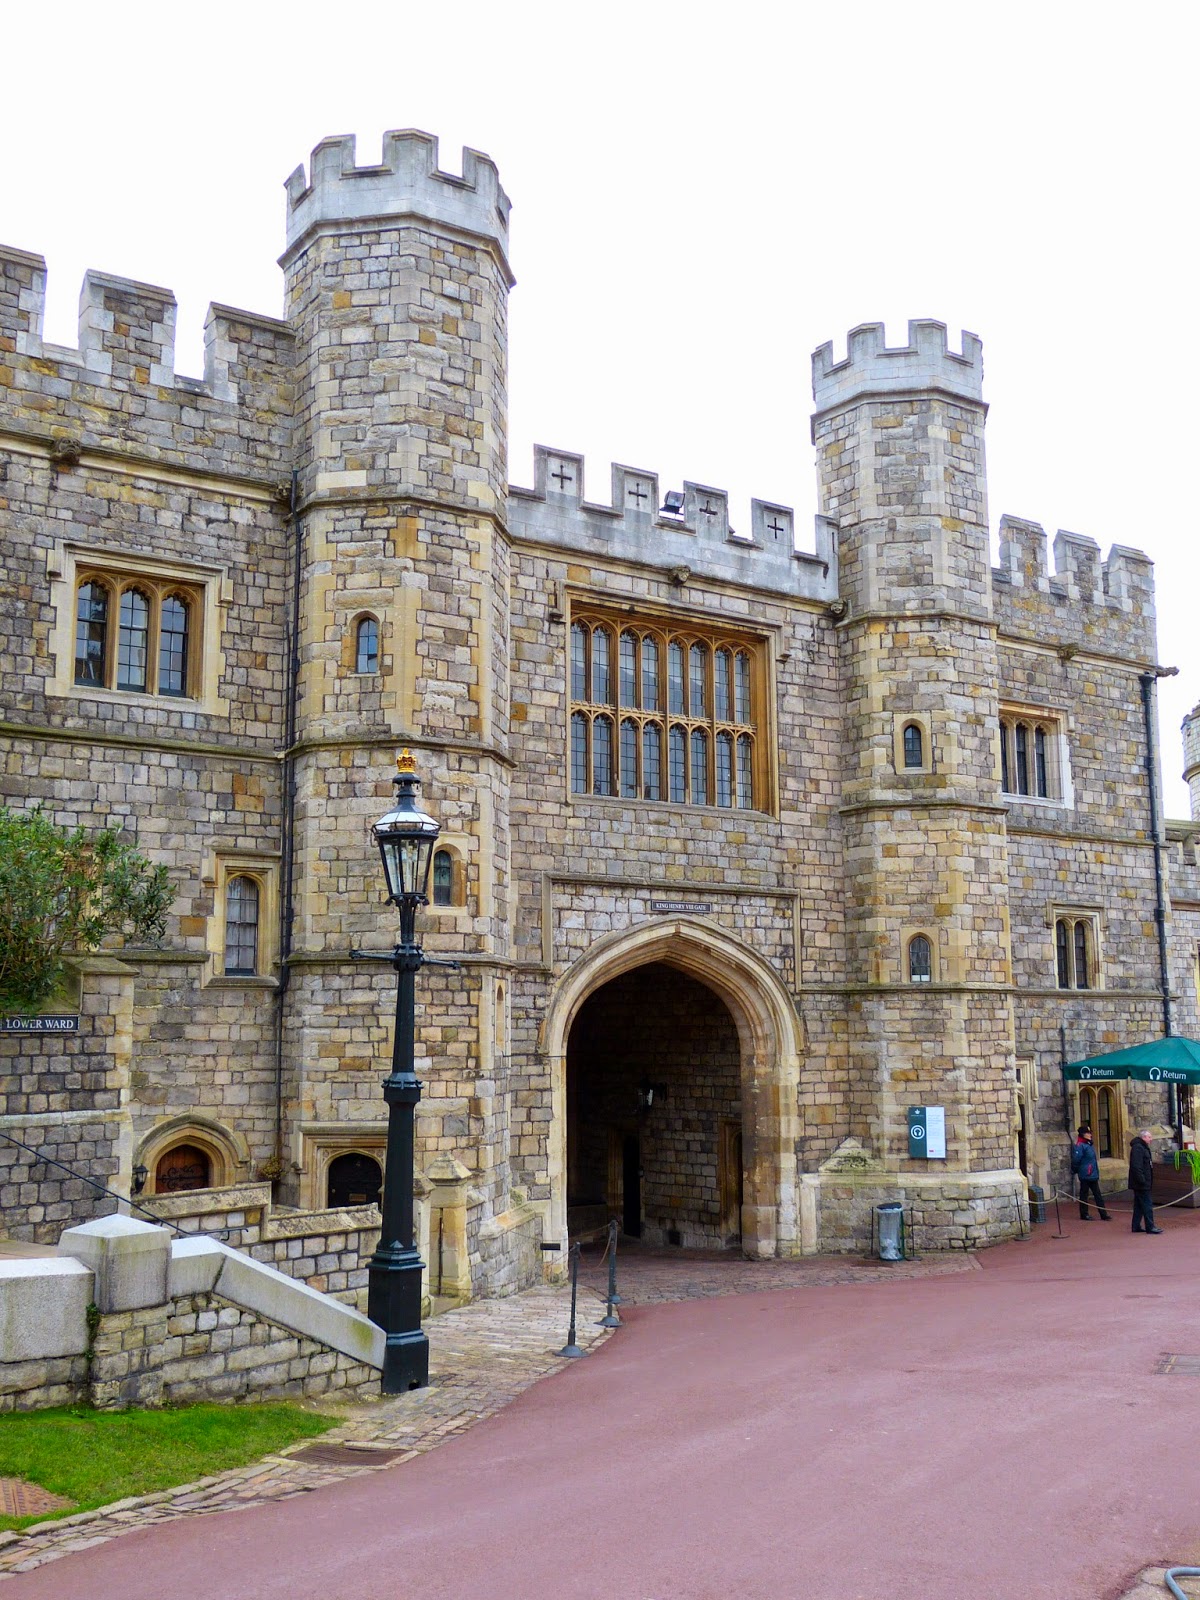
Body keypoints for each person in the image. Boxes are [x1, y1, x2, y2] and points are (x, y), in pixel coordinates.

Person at [1071, 1125, 1110, 1220]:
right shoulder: (1080, 1146)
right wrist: (1076, 1170)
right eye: (1088, 1133)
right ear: (1083, 1134)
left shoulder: (1088, 1145)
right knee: (1084, 1195)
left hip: (1092, 1173)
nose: (1090, 1135)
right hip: (1085, 1174)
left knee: (1098, 1195)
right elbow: (1076, 1160)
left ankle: (1103, 1214)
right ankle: (1084, 1214)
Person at [1129, 1130, 1163, 1234]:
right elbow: (1136, 1166)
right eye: (1149, 1137)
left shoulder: (1142, 1147)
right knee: (1147, 1205)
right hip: (1141, 1183)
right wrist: (1142, 1180)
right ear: (1143, 1137)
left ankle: (1136, 1226)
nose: (1151, 1139)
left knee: (1139, 1205)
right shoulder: (1138, 1148)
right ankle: (1150, 1226)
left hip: (1143, 1181)